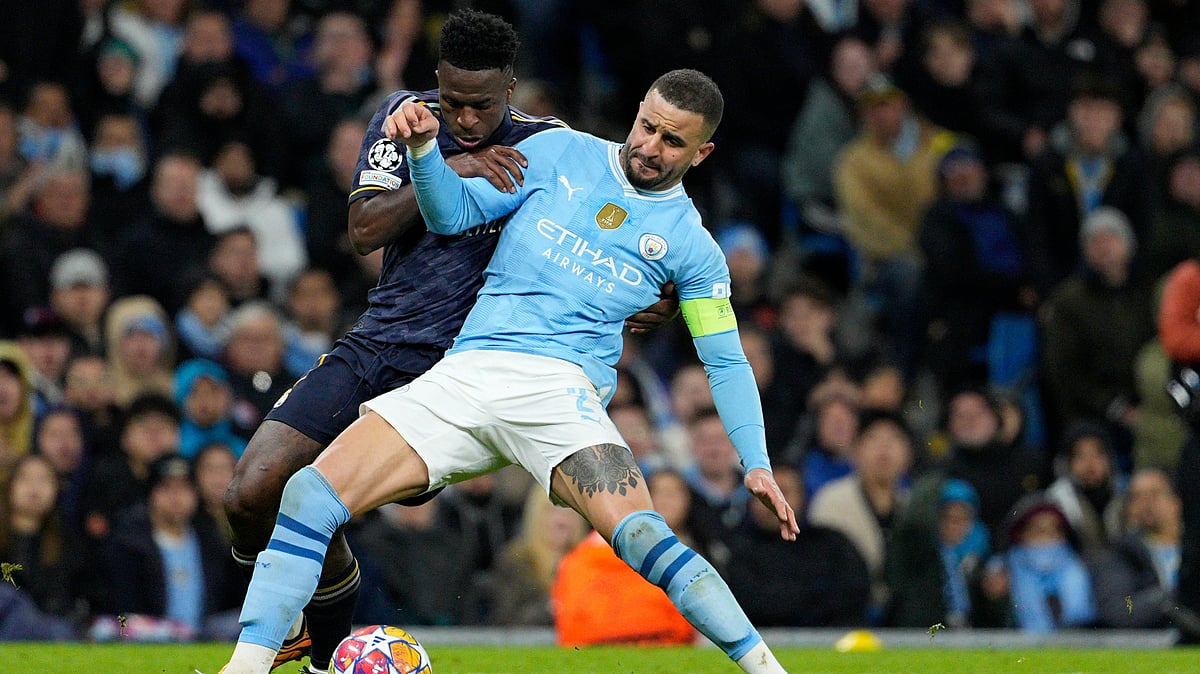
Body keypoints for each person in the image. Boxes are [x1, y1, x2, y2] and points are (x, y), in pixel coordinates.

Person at [220, 67, 797, 674]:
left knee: (643, 537)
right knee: (310, 495)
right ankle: (248, 666)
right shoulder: (559, 151)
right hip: (467, 372)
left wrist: (755, 463)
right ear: (637, 111)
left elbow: (726, 357)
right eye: (647, 127)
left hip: (561, 395)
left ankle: (767, 669)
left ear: (702, 152)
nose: (650, 147)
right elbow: (450, 214)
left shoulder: (692, 247)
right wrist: (422, 151)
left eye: (672, 142)